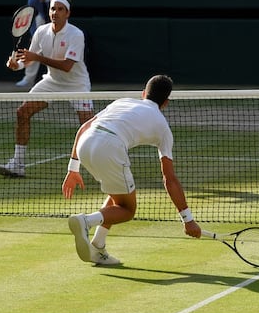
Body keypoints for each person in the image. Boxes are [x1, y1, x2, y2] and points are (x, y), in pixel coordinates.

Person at [62, 75, 201, 266]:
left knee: (119, 195)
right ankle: (86, 221)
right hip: (110, 147)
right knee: (127, 209)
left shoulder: (123, 101)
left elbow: (85, 127)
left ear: (143, 94)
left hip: (86, 144)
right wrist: (188, 219)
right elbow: (169, 178)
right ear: (166, 103)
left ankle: (99, 245)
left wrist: (73, 168)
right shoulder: (163, 128)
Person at [0, 0, 93, 178]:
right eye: (52, 9)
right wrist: (15, 65)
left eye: (60, 9)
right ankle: (18, 163)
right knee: (22, 112)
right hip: (51, 82)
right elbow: (29, 60)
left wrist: (37, 58)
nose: (55, 12)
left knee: (89, 127)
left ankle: (100, 162)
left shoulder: (76, 34)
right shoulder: (41, 31)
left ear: (67, 13)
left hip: (77, 85)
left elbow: (66, 66)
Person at [16, 0, 57, 87]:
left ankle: (57, 79)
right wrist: (34, 35)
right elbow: (31, 19)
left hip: (55, 22)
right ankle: (28, 79)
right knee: (33, 51)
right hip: (41, 20)